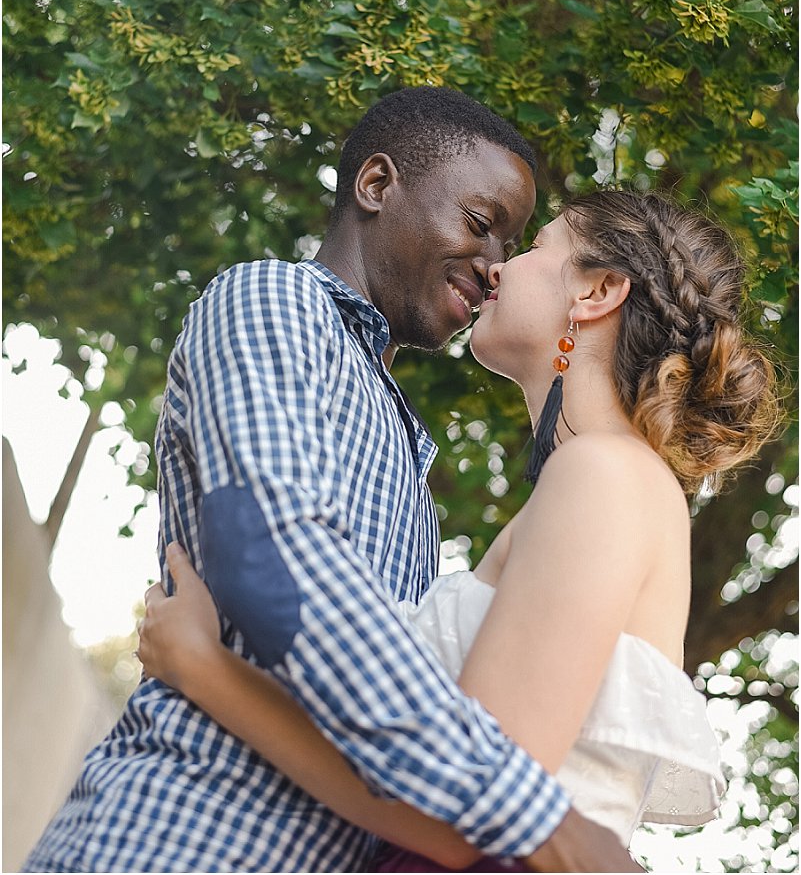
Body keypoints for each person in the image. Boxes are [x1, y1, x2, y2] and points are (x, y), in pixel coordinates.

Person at [24, 87, 635, 874]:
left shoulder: (406, 447)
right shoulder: (274, 301)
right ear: (377, 186)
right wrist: (535, 816)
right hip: (180, 839)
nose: (494, 270)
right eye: (481, 227)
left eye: (511, 247)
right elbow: (275, 562)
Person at [136, 187, 778, 871]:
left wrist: (206, 671)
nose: (496, 268)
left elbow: (471, 821)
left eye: (535, 247)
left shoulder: (604, 476)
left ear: (598, 291)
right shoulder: (606, 482)